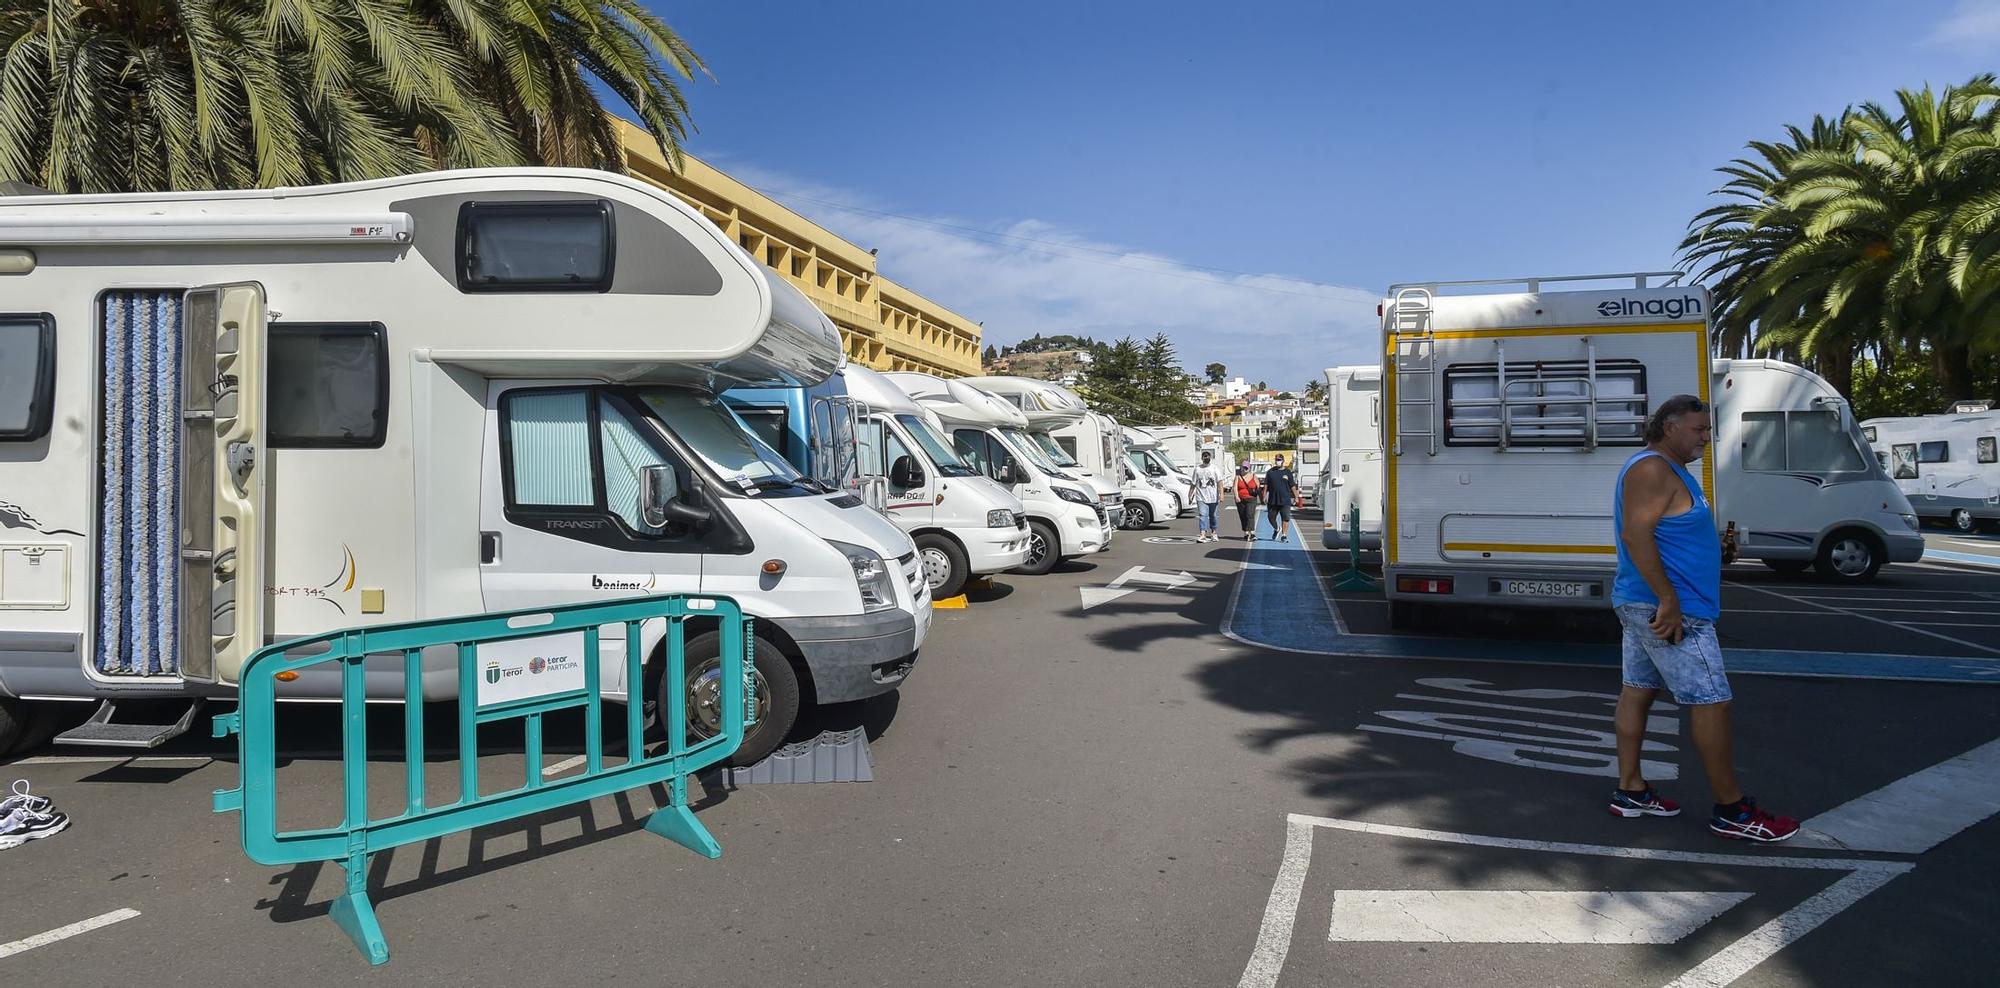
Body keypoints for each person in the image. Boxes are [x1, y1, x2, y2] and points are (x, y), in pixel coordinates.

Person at [1609, 394, 1797, 842]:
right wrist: (1668, 599)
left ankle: (1631, 790)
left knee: (1638, 691)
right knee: (1711, 700)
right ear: (1669, 427)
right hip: (1671, 609)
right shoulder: (1652, 468)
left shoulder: (1674, 472)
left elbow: (1669, 534)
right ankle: (1732, 811)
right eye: (1698, 429)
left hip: (1651, 602)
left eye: (1708, 430)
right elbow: (1635, 536)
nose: (1706, 438)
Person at [1262, 453, 1303, 542]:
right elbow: (1266, 485)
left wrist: (1296, 496)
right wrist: (1264, 495)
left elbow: (1292, 486)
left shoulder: (1287, 472)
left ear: (1283, 461)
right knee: (1271, 517)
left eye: (1279, 460)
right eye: (1276, 459)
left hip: (1285, 499)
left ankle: (1284, 535)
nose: (1278, 461)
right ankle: (1277, 529)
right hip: (1273, 500)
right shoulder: (1270, 472)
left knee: (1285, 518)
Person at [1189, 451, 1226, 543]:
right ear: (1202, 458)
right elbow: (1193, 483)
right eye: (1205, 457)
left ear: (1210, 458)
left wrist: (1221, 494)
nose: (1206, 458)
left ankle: (1214, 532)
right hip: (1201, 496)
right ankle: (1202, 534)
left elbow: (1220, 482)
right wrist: (1190, 495)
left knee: (1213, 515)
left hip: (1213, 497)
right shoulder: (1197, 469)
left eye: (1208, 456)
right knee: (1202, 515)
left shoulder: (1214, 468)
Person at [1232, 465, 1262, 541]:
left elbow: (1258, 487)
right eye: (1243, 467)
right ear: (1241, 468)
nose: (1245, 469)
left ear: (1249, 468)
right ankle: (1246, 532)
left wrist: (1261, 498)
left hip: (1251, 499)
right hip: (1240, 499)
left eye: (1246, 468)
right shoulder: (1238, 477)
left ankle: (1251, 533)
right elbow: (1235, 487)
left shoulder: (1254, 476)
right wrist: (1236, 496)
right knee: (1243, 515)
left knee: (1250, 514)